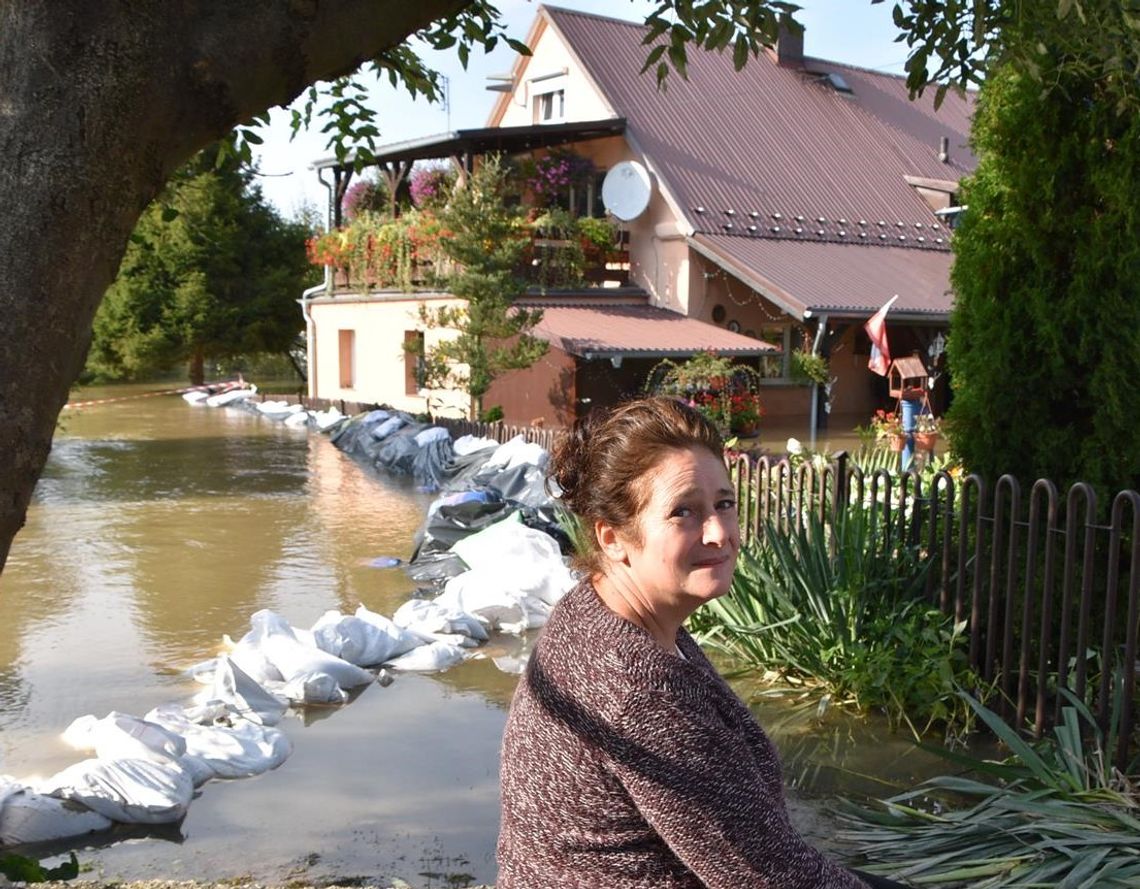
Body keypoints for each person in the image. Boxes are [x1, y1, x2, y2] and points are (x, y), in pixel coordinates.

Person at [497, 397, 907, 889]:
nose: (718, 532)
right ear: (612, 538)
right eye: (684, 512)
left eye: (724, 504)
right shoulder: (638, 691)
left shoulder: (599, 612)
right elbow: (768, 880)